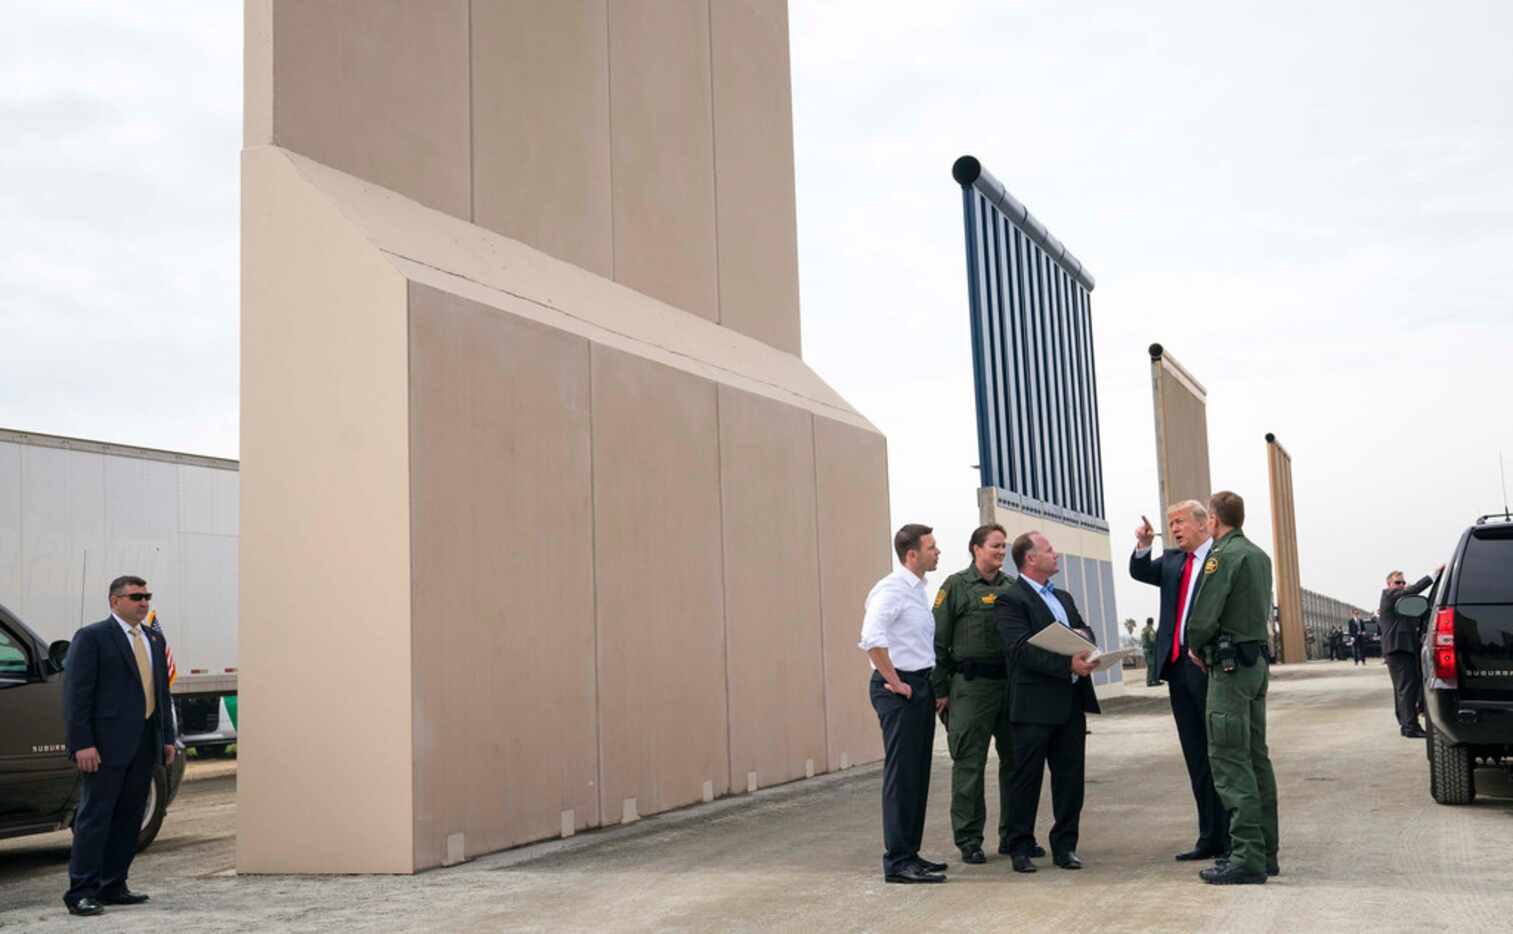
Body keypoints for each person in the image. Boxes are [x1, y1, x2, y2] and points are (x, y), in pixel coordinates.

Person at [63, 576, 178, 916]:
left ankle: (113, 885)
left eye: (147, 596)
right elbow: (76, 696)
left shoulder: (154, 639)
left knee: (129, 818)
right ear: (114, 602)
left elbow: (162, 693)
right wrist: (82, 743)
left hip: (144, 743)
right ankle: (81, 891)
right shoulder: (93, 637)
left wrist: (167, 738)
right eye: (136, 597)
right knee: (95, 818)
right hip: (104, 746)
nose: (143, 602)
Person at [931, 524, 1044, 865]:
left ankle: (1013, 835)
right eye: (994, 546)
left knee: (1016, 763)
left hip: (1010, 686)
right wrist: (940, 690)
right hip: (970, 688)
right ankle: (969, 839)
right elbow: (937, 641)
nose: (1000, 551)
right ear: (976, 549)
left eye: (1003, 546)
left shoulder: (1014, 587)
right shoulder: (955, 586)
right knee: (969, 763)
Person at [1184, 491, 1278, 885]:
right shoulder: (1258, 555)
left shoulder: (1222, 556)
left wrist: (1195, 643)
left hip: (1229, 669)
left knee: (1229, 759)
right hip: (1254, 664)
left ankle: (1246, 857)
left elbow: (1204, 615)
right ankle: (1265, 851)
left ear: (1214, 521)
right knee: (1257, 757)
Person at [994, 531, 1101, 873]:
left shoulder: (1064, 597)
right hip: (1033, 705)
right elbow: (1020, 650)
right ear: (1030, 559)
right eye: (1049, 550)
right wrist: (1067, 664)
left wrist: (1088, 644)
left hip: (1070, 700)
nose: (1056, 555)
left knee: (1070, 778)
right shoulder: (1011, 599)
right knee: (1025, 779)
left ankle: (1065, 846)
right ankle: (1020, 846)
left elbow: (1084, 630)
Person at [1129, 500, 1229, 863]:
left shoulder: (1222, 558)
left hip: (1208, 666)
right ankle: (1209, 837)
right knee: (1196, 756)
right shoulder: (1172, 562)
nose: (1174, 528)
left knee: (1221, 753)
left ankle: (1234, 836)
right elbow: (1139, 573)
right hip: (1176, 669)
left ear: (1204, 523)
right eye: (1170, 523)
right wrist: (1143, 546)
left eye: (1180, 521)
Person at [859, 524, 948, 884]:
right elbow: (870, 638)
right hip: (899, 689)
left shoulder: (918, 591)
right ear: (912, 554)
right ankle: (897, 862)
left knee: (917, 774)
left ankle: (910, 853)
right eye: (932, 547)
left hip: (919, 685)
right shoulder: (892, 589)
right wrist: (894, 681)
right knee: (902, 776)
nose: (938, 551)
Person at [1380, 568, 1438, 738]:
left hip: (1403, 649)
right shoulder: (1389, 595)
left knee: (1403, 689)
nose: (1401, 585)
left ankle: (1405, 723)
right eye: (1398, 582)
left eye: (1403, 582)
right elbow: (1410, 591)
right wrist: (1431, 576)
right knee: (1407, 689)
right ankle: (1410, 727)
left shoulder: (1401, 603)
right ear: (1389, 584)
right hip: (1399, 649)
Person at [1140, 618, 1159, 686]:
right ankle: (1150, 682)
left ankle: (1152, 681)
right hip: (1150, 650)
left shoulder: (1144, 630)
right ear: (1152, 622)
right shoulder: (1150, 630)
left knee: (1150, 666)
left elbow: (1143, 640)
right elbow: (1152, 640)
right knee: (1152, 666)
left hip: (1145, 650)